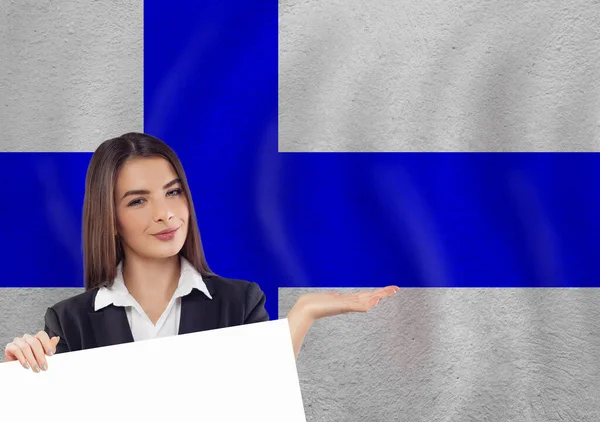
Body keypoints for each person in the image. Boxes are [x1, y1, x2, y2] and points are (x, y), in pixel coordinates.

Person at [3, 132, 398, 373]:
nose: (165, 214)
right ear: (109, 219)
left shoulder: (239, 302)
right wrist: (18, 375)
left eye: (173, 192)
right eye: (138, 201)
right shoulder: (69, 321)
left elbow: (258, 392)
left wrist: (304, 311)